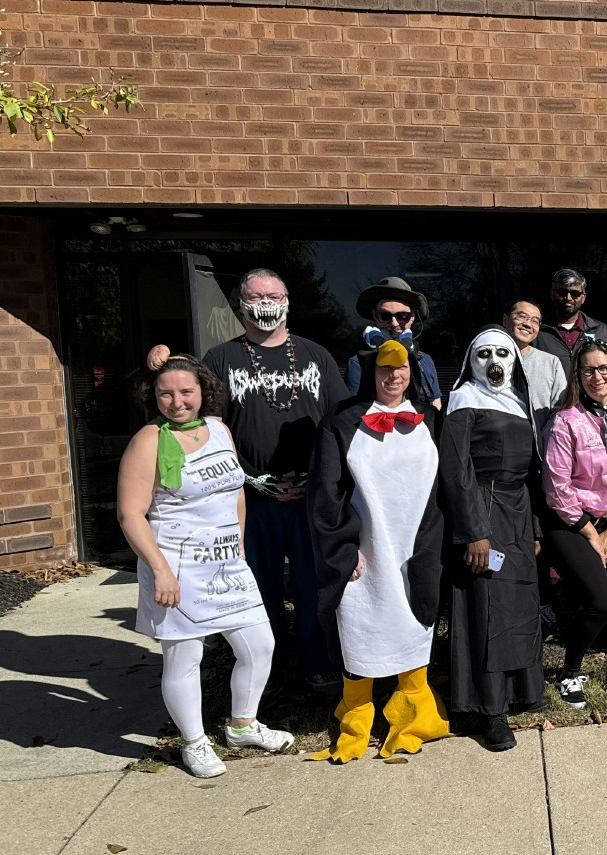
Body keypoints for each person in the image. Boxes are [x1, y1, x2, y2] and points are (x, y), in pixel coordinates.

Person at [154, 268, 349, 698]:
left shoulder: (315, 355)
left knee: (312, 584)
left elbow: (340, 423)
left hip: (309, 499)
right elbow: (205, 428)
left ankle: (317, 663)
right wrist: (249, 479)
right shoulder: (220, 359)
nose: (266, 304)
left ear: (287, 301)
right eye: (257, 297)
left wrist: (322, 478)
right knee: (256, 588)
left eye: (274, 295)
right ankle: (269, 668)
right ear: (241, 304)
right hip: (249, 501)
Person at [116, 355, 293, 778]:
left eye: (186, 392)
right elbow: (130, 515)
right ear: (152, 396)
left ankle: (242, 725)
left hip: (228, 561)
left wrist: (241, 547)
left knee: (259, 645)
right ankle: (194, 742)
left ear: (203, 392)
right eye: (166, 393)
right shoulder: (148, 440)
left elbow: (236, 492)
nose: (177, 402)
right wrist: (159, 570)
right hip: (176, 567)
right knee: (185, 657)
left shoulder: (219, 429)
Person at [309, 340, 448, 761]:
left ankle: (413, 717)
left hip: (417, 546)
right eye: (384, 370)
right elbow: (325, 493)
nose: (393, 377)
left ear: (412, 371)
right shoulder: (342, 422)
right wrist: (341, 549)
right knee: (360, 629)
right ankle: (356, 722)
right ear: (371, 373)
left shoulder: (431, 421)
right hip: (365, 550)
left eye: (401, 368)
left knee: (413, 625)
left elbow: (448, 484)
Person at [440, 327, 546, 751]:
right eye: (484, 354)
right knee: (487, 607)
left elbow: (532, 472)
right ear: (472, 360)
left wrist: (535, 527)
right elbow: (455, 470)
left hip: (518, 511)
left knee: (518, 603)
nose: (495, 361)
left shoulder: (518, 402)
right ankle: (490, 709)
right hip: (483, 510)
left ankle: (522, 689)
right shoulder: (464, 399)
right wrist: (474, 532)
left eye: (503, 353)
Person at [542, 337, 607, 709]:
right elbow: (557, 488)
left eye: (604, 368)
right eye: (588, 369)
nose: (597, 376)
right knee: (601, 600)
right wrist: (591, 532)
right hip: (568, 522)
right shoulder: (566, 422)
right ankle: (569, 673)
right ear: (578, 375)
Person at [344, 275, 442, 409]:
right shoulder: (359, 363)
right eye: (385, 316)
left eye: (402, 316)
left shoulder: (425, 360)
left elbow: (436, 405)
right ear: (375, 316)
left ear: (412, 317)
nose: (394, 323)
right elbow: (354, 412)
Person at [503, 299, 568, 443]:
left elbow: (560, 412)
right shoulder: (487, 360)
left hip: (538, 448)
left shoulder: (550, 362)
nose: (527, 324)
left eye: (535, 321)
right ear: (505, 320)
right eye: (521, 316)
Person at [534, 268, 607, 364]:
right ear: (552, 294)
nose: (568, 298)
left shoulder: (602, 331)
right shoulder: (537, 330)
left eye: (575, 293)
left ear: (583, 298)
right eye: (562, 292)